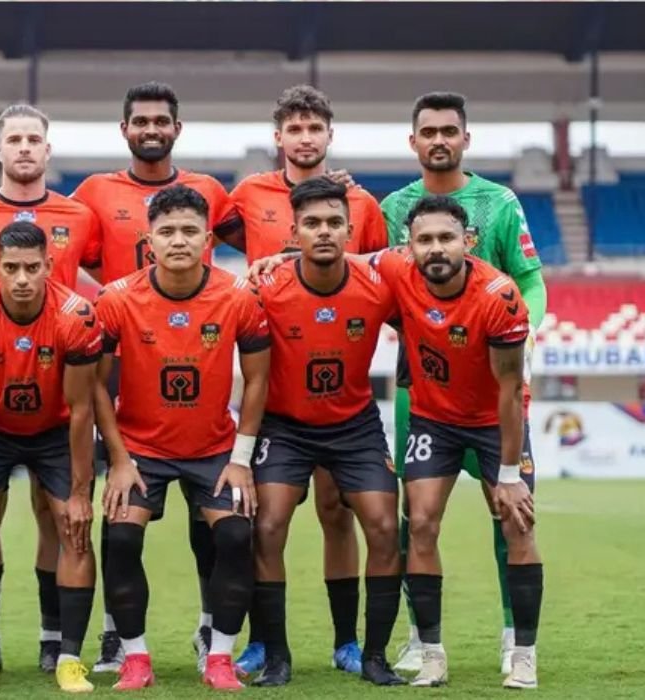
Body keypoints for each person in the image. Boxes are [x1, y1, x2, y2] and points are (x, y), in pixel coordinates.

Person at [215, 84, 390, 677]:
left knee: (337, 512)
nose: (306, 137)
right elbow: (205, 234)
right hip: (278, 383)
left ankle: (348, 642)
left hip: (342, 385)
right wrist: (269, 266)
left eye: (315, 128)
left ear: (330, 135)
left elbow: (378, 271)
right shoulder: (248, 194)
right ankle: (264, 643)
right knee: (266, 520)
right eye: (295, 128)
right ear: (279, 137)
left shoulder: (362, 202)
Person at [69, 81, 235, 675]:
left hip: (195, 349)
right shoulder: (93, 192)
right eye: (140, 121)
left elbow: (269, 239)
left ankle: (210, 629)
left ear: (176, 128)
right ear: (125, 129)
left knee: (209, 520)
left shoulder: (210, 192)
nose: (151, 129)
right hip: (124, 350)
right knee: (118, 508)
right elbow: (57, 246)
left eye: (161, 121)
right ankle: (115, 636)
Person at [380, 92, 547, 675]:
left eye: (449, 131)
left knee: (513, 511)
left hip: (495, 374)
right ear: (413, 141)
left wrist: (522, 333)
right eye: (428, 132)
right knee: (416, 516)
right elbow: (366, 273)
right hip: (422, 386)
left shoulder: (499, 203)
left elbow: (530, 279)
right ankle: (419, 638)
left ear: (465, 139)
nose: (439, 141)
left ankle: (515, 636)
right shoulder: (392, 207)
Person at [0, 103, 102, 673]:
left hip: (57, 404)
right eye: (15, 139)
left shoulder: (79, 215)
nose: (25, 147)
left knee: (66, 521)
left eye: (35, 138)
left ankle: (59, 645)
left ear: (47, 149)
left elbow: (122, 279)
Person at [94, 184, 270, 691]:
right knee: (120, 537)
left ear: (208, 239)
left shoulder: (237, 296)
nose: (178, 240)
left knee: (235, 535)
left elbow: (258, 379)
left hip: (213, 448)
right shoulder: (117, 298)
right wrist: (118, 459)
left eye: (190, 231)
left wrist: (240, 459)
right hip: (140, 450)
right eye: (167, 231)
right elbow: (97, 387)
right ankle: (135, 658)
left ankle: (219, 657)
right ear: (148, 240)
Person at [248, 178, 404, 688]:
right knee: (267, 526)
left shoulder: (378, 283)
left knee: (384, 526)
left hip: (354, 425)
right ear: (294, 232)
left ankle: (371, 655)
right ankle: (276, 656)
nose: (324, 231)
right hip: (285, 425)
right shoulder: (266, 285)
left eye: (334, 223)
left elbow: (426, 315)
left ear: (349, 230)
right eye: (312, 223)